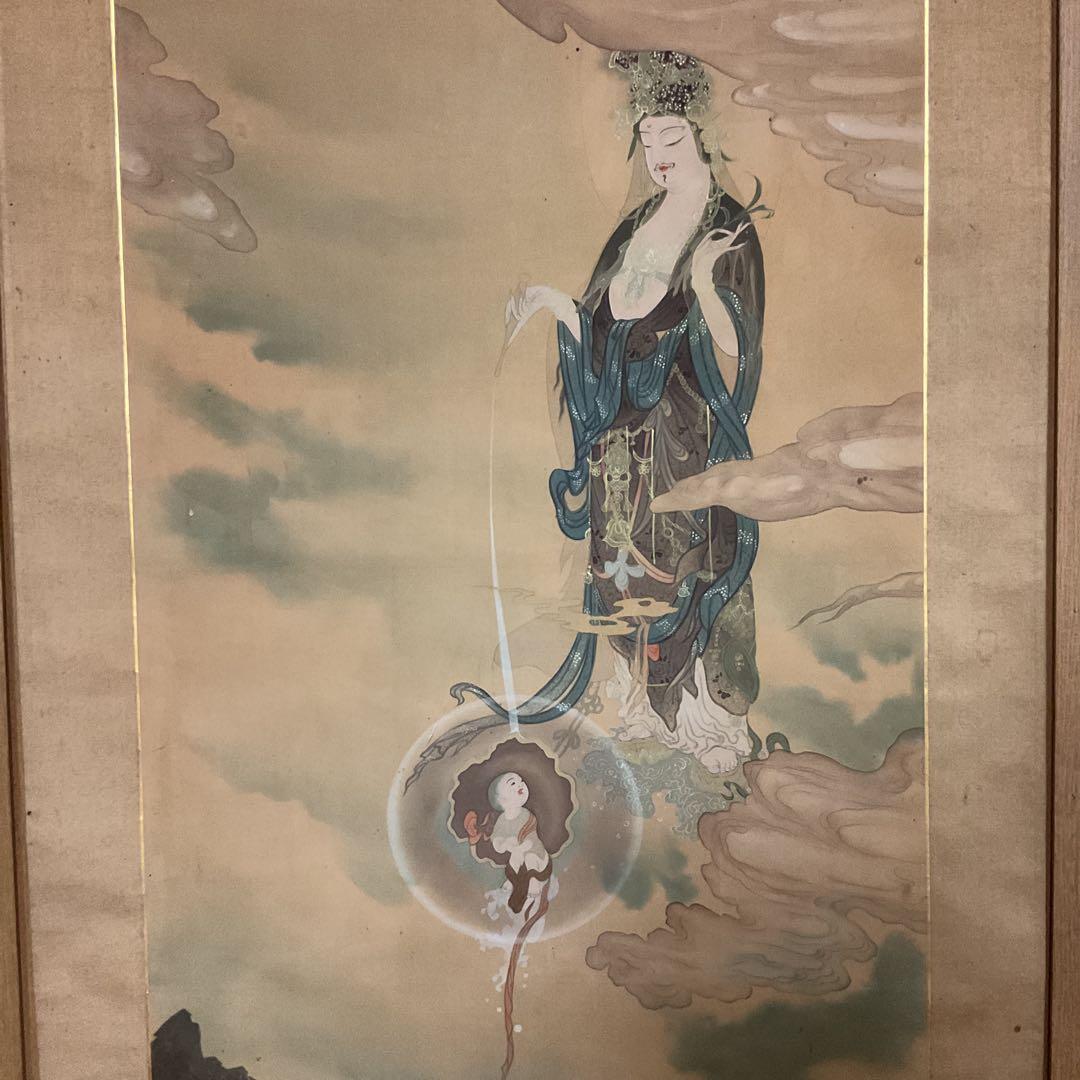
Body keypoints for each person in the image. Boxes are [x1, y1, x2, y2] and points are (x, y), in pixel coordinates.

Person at [452, 50, 781, 774]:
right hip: (620, 446)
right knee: (624, 575)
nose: (658, 154)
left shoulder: (728, 226)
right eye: (648, 137)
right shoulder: (637, 225)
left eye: (672, 137)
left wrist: (703, 281)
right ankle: (641, 704)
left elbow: (738, 348)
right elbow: (602, 329)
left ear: (701, 135)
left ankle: (702, 716)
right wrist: (550, 303)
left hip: (687, 439)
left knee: (685, 572)